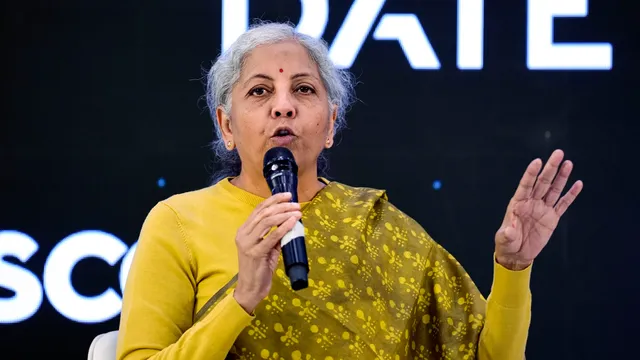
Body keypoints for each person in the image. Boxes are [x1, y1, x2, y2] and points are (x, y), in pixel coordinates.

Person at [116, 21, 582, 360]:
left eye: (303, 90)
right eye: (259, 92)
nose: (283, 107)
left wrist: (514, 268)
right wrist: (241, 301)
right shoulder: (178, 222)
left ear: (331, 125)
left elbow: (491, 358)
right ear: (226, 126)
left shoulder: (378, 226)